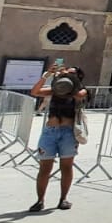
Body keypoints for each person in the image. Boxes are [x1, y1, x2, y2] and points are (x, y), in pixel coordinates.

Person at [28, 65, 87, 212]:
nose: (68, 75)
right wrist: (47, 76)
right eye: (67, 73)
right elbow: (35, 92)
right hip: (50, 132)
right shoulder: (55, 90)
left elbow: (79, 95)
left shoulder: (82, 91)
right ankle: (40, 200)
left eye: (72, 73)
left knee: (66, 166)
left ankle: (63, 199)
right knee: (44, 167)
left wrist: (69, 83)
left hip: (68, 133)